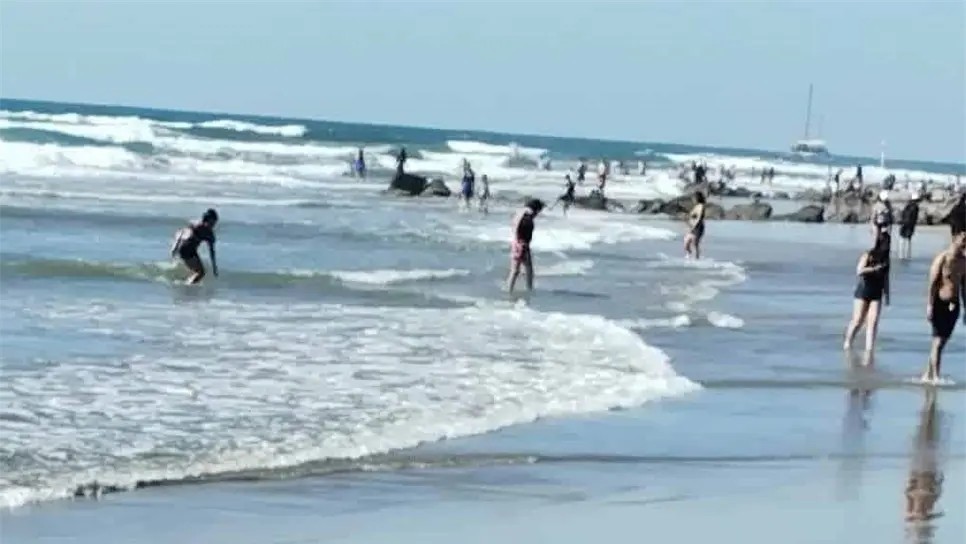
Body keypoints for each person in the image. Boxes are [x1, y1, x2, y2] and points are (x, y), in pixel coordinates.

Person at [922, 230, 966, 382]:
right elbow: (932, 284)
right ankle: (936, 377)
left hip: (954, 305)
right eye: (963, 239)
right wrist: (929, 305)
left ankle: (927, 375)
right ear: (955, 238)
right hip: (939, 303)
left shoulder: (963, 261)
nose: (965, 243)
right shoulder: (942, 259)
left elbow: (964, 287)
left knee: (940, 343)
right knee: (938, 342)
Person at [844, 231, 891, 366]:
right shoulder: (868, 254)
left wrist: (887, 295)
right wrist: (874, 269)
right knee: (858, 320)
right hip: (864, 290)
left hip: (877, 292)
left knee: (873, 322)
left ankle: (869, 349)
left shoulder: (886, 259)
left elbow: (886, 278)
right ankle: (848, 342)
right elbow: (859, 270)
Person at [169, 208, 219, 285]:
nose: (213, 225)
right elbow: (181, 232)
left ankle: (187, 283)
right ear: (207, 219)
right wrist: (175, 245)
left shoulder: (210, 234)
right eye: (212, 222)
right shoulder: (196, 225)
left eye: (215, 223)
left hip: (192, 251)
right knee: (201, 273)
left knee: (199, 272)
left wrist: (214, 267)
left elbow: (212, 251)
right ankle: (187, 285)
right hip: (185, 249)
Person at [506, 199, 545, 295]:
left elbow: (516, 228)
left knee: (516, 271)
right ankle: (528, 290)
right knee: (526, 270)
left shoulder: (520, 215)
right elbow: (525, 234)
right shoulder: (527, 219)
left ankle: (509, 290)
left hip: (516, 243)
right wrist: (524, 246)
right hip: (522, 245)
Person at [897, 194, 921, 260]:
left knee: (902, 240)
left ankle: (901, 255)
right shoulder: (915, 207)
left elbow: (903, 214)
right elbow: (913, 218)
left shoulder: (907, 206)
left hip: (904, 224)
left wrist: (901, 222)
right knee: (908, 240)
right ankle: (907, 255)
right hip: (910, 225)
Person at [684, 192, 707, 260]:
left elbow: (699, 218)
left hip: (698, 227)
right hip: (692, 227)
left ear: (697, 198)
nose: (693, 199)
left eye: (694, 198)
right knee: (686, 244)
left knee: (695, 244)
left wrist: (694, 226)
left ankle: (696, 259)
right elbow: (692, 216)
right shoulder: (696, 206)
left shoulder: (701, 206)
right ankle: (689, 256)